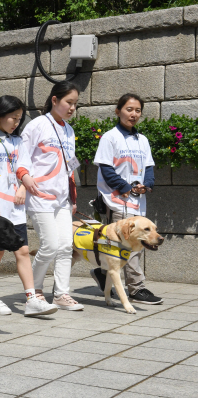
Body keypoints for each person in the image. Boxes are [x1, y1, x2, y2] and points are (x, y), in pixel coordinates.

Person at [0, 95, 59, 317]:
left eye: (19, 118)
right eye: (12, 118)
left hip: (15, 205)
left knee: (22, 250)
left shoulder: (18, 142)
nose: (16, 123)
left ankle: (31, 298)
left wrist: (23, 188)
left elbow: (24, 168)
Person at [19, 81, 83, 311]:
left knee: (66, 246)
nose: (72, 108)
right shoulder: (37, 126)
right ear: (54, 100)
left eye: (75, 104)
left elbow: (71, 165)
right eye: (69, 102)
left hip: (62, 199)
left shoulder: (69, 130)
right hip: (39, 196)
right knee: (50, 246)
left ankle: (61, 294)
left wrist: (73, 197)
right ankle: (34, 290)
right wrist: (23, 179)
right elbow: (21, 157)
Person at [92, 93, 163, 304]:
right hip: (118, 200)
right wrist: (125, 187)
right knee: (129, 243)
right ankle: (136, 288)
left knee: (127, 244)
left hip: (138, 200)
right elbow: (106, 168)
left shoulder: (142, 140)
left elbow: (148, 167)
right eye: (129, 109)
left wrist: (146, 185)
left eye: (137, 110)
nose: (133, 114)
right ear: (118, 111)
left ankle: (104, 274)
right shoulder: (110, 137)